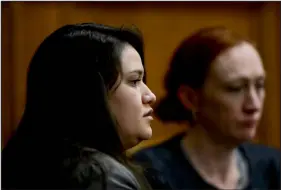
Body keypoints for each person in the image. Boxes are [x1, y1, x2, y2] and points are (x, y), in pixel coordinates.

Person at [2, 23, 156, 190]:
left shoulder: (18, 161)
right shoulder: (103, 177)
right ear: (91, 93)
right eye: (134, 81)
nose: (150, 96)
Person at [133, 26, 280, 190]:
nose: (253, 105)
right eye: (235, 88)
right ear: (191, 98)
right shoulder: (148, 172)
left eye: (260, 86)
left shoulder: (273, 166)